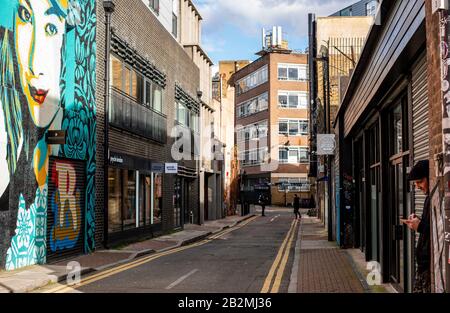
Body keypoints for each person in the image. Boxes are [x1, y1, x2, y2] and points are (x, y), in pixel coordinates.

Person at [403, 160, 431, 293]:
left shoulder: (436, 198)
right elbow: (429, 224)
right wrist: (418, 222)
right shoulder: (429, 198)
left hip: (429, 266)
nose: (418, 186)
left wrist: (419, 226)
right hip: (423, 265)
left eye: (420, 181)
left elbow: (438, 231)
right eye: (416, 183)